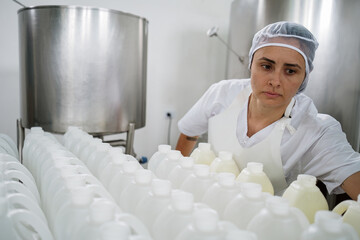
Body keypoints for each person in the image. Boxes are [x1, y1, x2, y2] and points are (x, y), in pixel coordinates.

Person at [175, 21, 360, 198]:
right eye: (266, 66)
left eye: (290, 71)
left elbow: (353, 176)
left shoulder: (316, 131)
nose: (275, 81)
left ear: (304, 76)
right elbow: (189, 133)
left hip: (266, 223)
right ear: (251, 65)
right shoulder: (222, 94)